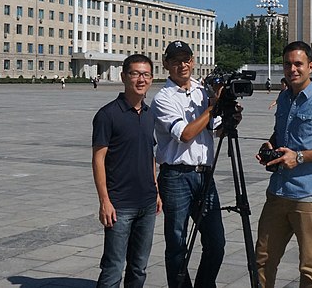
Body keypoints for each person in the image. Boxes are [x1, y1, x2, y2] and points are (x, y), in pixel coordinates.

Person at [255, 41, 312, 287]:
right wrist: (270, 145)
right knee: (262, 260)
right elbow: (282, 135)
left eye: (298, 64)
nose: (292, 69)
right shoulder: (285, 98)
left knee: (310, 267)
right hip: (277, 193)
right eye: (287, 64)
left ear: (310, 66)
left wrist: (299, 157)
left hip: (308, 196)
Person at [152, 40, 228, 288]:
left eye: (186, 60)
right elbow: (184, 134)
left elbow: (215, 129)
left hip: (204, 174)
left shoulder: (202, 91)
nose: (182, 65)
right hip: (176, 175)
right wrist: (212, 107)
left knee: (216, 242)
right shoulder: (163, 98)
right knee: (177, 242)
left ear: (193, 61)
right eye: (175, 61)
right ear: (166, 64)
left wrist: (227, 115)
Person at [92, 54, 161, 287]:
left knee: (139, 268)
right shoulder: (107, 114)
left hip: (147, 203)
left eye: (146, 74)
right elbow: (98, 159)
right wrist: (104, 201)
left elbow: (150, 155)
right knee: (113, 268)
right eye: (135, 73)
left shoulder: (150, 114)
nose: (141, 79)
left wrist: (156, 189)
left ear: (151, 79)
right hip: (119, 205)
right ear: (124, 76)